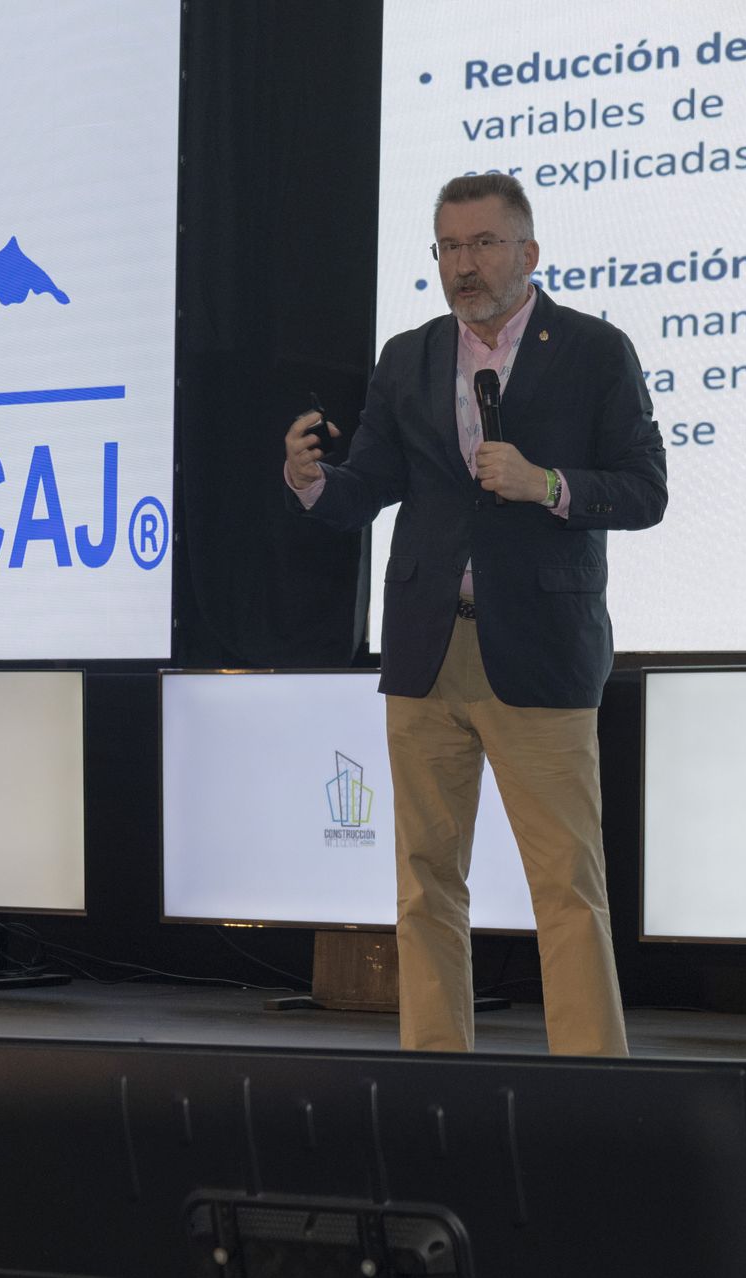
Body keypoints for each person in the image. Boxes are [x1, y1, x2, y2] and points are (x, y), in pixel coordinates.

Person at [282, 173, 667, 1056]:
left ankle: (591, 1080)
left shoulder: (595, 350)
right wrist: (313, 484)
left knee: (566, 885)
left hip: (540, 649)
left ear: (528, 252)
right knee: (424, 882)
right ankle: (435, 1071)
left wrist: (547, 484)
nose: (466, 264)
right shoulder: (409, 355)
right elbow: (370, 484)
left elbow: (646, 489)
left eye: (485, 244)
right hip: (426, 649)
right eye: (450, 247)